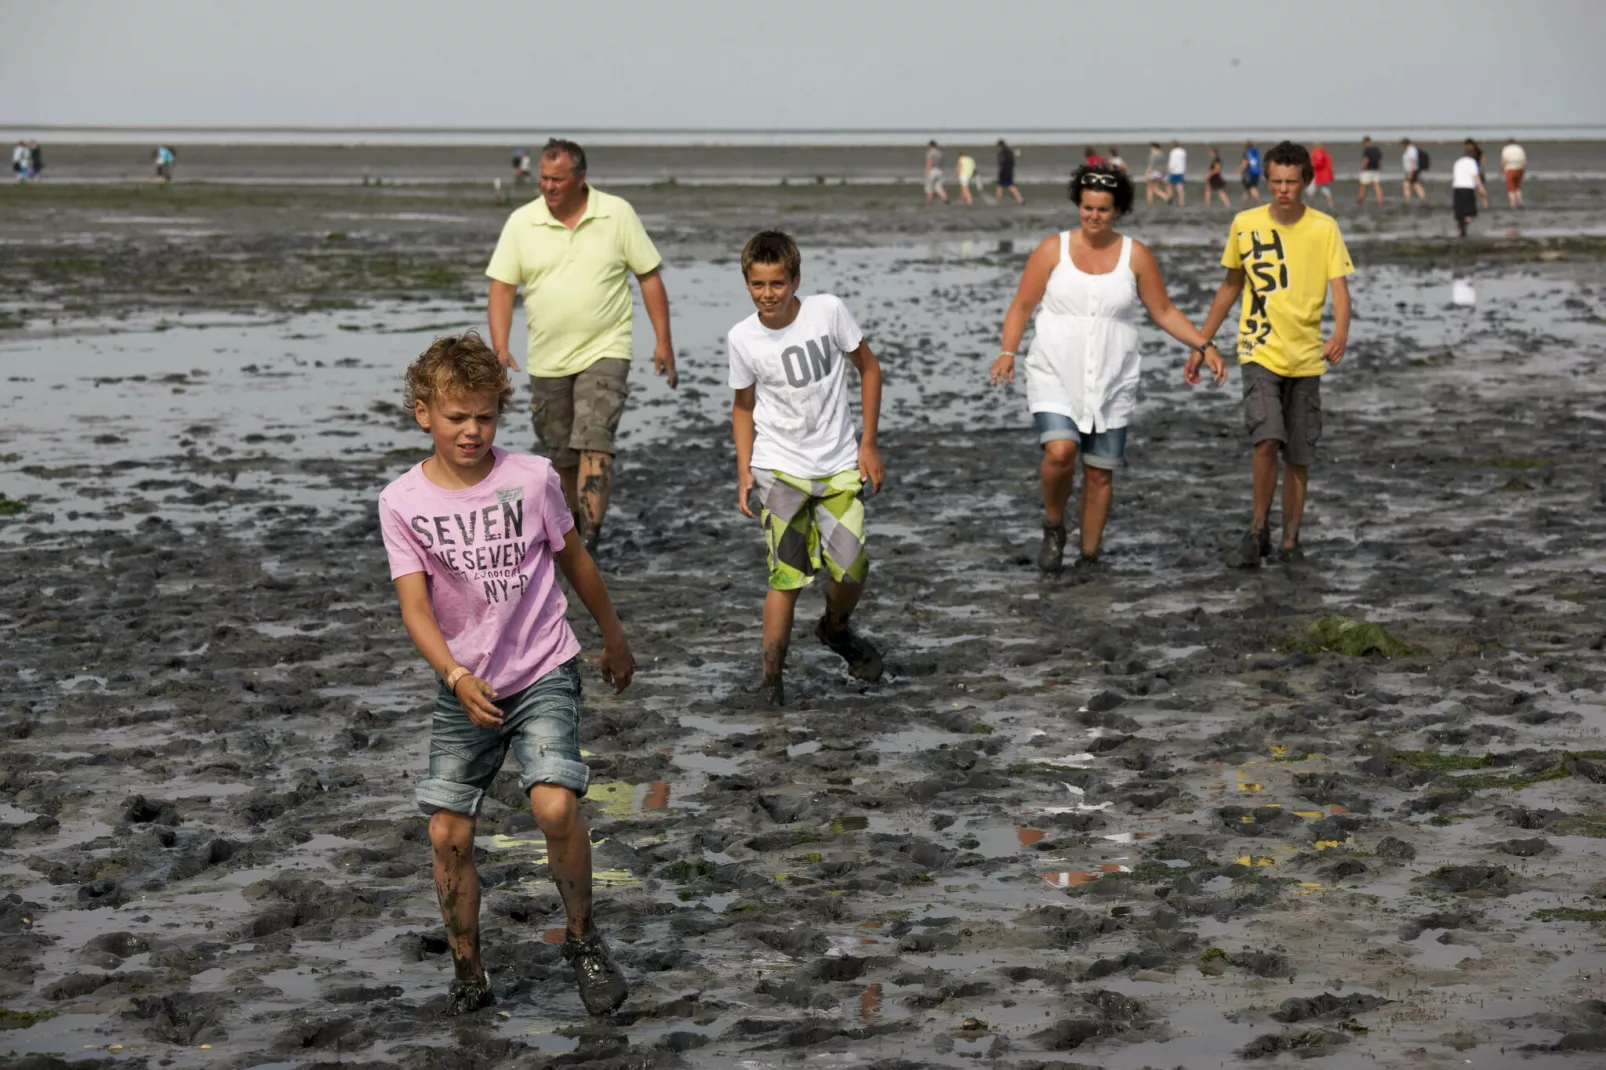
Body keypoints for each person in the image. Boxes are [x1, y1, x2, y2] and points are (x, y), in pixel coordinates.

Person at [377, 332, 635, 1017]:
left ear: (501, 412)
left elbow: (575, 561)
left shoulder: (532, 478)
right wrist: (455, 675)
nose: (471, 431)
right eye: (457, 417)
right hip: (466, 684)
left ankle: (583, 937)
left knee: (553, 805)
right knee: (446, 832)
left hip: (543, 666)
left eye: (485, 417)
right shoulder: (402, 501)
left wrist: (613, 637)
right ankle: (468, 968)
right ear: (423, 413)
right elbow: (414, 606)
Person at [989, 165, 1226, 574]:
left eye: (1101, 209)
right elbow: (1022, 306)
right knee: (1060, 451)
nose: (1093, 216)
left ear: (1118, 210)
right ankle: (1053, 524)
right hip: (1055, 371)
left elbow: (1164, 311)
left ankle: (1089, 556)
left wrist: (1203, 344)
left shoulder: (1136, 256)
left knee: (1099, 475)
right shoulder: (1052, 250)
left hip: (1112, 377)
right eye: (1086, 207)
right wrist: (1008, 351)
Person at [485, 138, 677, 553]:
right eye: (543, 179)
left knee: (595, 439)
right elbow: (502, 287)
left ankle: (591, 537)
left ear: (580, 178)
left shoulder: (616, 213)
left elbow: (649, 276)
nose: (549, 187)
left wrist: (663, 342)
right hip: (547, 359)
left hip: (607, 348)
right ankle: (571, 535)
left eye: (557, 179)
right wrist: (499, 346)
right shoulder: (522, 222)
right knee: (562, 455)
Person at [728, 230, 885, 707]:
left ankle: (835, 629)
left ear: (795, 280)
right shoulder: (742, 338)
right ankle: (771, 680)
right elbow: (742, 406)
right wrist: (743, 469)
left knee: (850, 566)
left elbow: (869, 368)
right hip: (779, 470)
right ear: (747, 283)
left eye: (777, 283)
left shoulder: (828, 311)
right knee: (787, 576)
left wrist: (869, 444)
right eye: (758, 284)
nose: (768, 294)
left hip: (838, 465)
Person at [1193, 141, 1353, 566]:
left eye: (1291, 182)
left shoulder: (1324, 228)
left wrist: (1340, 332)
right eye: (1276, 182)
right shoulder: (1245, 224)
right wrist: (1202, 341)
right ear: (1267, 181)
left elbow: (1340, 288)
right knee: (1266, 440)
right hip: (1259, 349)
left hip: (1306, 357)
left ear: (1305, 182)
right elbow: (1231, 286)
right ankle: (1258, 530)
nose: (1283, 190)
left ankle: (1290, 542)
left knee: (1299, 456)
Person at [1451, 143, 1487, 237]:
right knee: (1471, 212)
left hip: (1457, 188)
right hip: (1468, 188)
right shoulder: (1472, 163)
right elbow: (1476, 177)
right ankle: (1464, 226)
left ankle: (1461, 227)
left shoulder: (1458, 162)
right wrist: (1481, 189)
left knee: (1460, 212)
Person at [995, 139, 1024, 204]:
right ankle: (1020, 199)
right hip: (1010, 172)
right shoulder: (1010, 152)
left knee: (999, 187)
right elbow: (1013, 163)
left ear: (1000, 146)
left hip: (1003, 172)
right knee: (1011, 187)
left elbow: (1001, 163)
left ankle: (998, 200)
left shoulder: (1001, 153)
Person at [1501, 138, 1527, 208]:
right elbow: (1524, 160)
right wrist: (1524, 171)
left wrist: (1502, 171)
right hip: (1519, 168)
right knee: (1517, 187)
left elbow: (1504, 160)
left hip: (1510, 169)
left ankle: (1513, 203)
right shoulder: (1519, 148)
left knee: (1511, 188)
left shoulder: (1506, 149)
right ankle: (1520, 201)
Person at [1356, 136, 1382, 205]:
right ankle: (1380, 201)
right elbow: (1379, 160)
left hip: (1368, 170)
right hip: (1375, 170)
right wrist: (1379, 167)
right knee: (1377, 186)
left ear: (1365, 143)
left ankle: (1360, 200)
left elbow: (1366, 160)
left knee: (1363, 186)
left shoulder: (1366, 150)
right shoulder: (1377, 149)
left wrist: (1363, 168)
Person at [1308, 143, 1336, 208]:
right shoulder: (1325, 153)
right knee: (1325, 190)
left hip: (1318, 175)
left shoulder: (1318, 153)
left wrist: (1310, 166)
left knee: (1311, 190)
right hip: (1323, 176)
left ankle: (1311, 205)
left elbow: (1319, 163)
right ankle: (1331, 205)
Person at [1466, 139, 1491, 207]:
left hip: (1477, 172)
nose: (1468, 147)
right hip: (1470, 173)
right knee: (1472, 191)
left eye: (1469, 145)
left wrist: (1481, 170)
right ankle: (1473, 205)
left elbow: (1483, 161)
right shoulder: (1467, 152)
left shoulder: (1478, 152)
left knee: (1481, 190)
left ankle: (1485, 205)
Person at [1400, 138, 1426, 204]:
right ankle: (1422, 199)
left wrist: (1410, 173)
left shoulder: (1411, 151)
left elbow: (1412, 162)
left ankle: (1407, 200)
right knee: (1415, 185)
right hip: (1412, 170)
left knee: (1406, 185)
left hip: (1411, 170)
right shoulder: (1411, 150)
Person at [924, 140, 948, 205]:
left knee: (929, 188)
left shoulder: (930, 153)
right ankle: (946, 200)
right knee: (939, 187)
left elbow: (929, 162)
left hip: (932, 170)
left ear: (930, 145)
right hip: (939, 170)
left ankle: (930, 203)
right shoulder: (940, 153)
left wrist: (927, 172)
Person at [1166, 140, 1188, 207]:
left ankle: (1170, 197)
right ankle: (1181, 202)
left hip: (1174, 171)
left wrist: (1169, 169)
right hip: (1181, 171)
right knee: (1180, 187)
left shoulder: (1173, 152)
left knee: (1169, 185)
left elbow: (1173, 162)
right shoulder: (1183, 151)